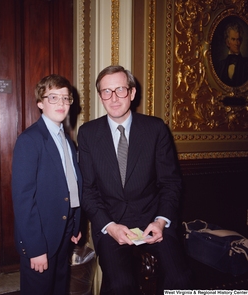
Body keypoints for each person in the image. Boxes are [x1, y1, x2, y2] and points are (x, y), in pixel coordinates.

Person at [77, 65, 192, 295]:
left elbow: (171, 183)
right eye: (106, 92)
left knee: (181, 278)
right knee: (120, 285)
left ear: (132, 92)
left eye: (120, 89)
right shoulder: (88, 133)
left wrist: (161, 221)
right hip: (111, 223)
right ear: (100, 96)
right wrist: (109, 226)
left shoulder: (155, 129)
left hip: (153, 220)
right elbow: (88, 191)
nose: (114, 98)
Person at [12, 74, 82, 295]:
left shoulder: (67, 141)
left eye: (65, 98)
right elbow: (23, 200)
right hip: (40, 240)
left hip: (63, 234)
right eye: (53, 97)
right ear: (40, 103)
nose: (61, 103)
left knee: (59, 289)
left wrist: (75, 224)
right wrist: (35, 249)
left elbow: (71, 184)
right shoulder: (30, 140)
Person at [216, 22, 248, 87]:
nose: (237, 43)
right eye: (233, 39)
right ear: (228, 42)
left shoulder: (246, 63)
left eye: (238, 39)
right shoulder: (221, 65)